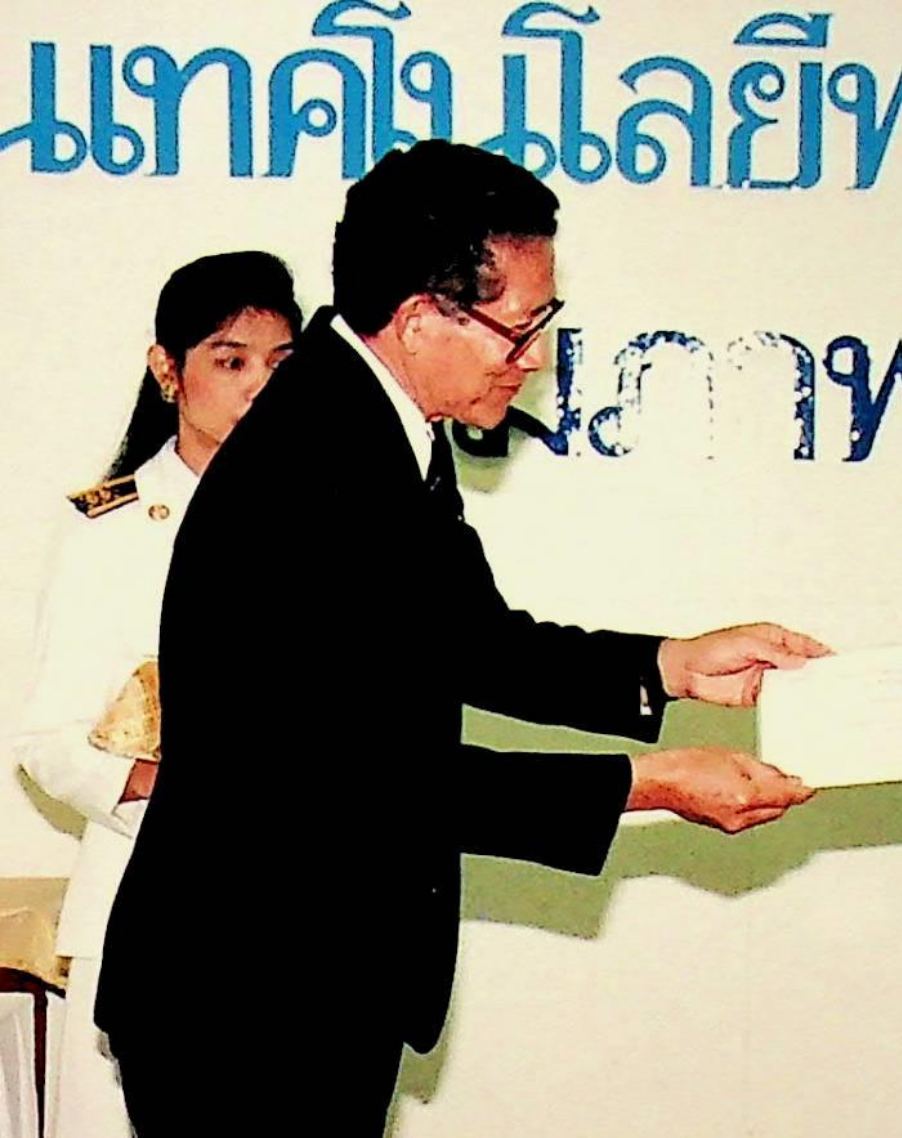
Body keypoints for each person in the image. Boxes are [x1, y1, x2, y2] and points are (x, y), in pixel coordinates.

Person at [94, 140, 826, 1136]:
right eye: (519, 330)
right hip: (248, 996)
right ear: (419, 318)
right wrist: (647, 783)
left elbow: (471, 640)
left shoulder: (374, 423)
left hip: (303, 972)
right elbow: (354, 777)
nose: (534, 360)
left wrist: (671, 666)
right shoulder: (317, 468)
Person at [14, 251, 302, 1138]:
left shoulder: (332, 519)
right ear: (167, 369)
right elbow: (51, 740)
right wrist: (170, 793)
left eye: (280, 363)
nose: (258, 385)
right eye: (230, 359)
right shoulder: (107, 529)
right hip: (146, 913)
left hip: (303, 917)